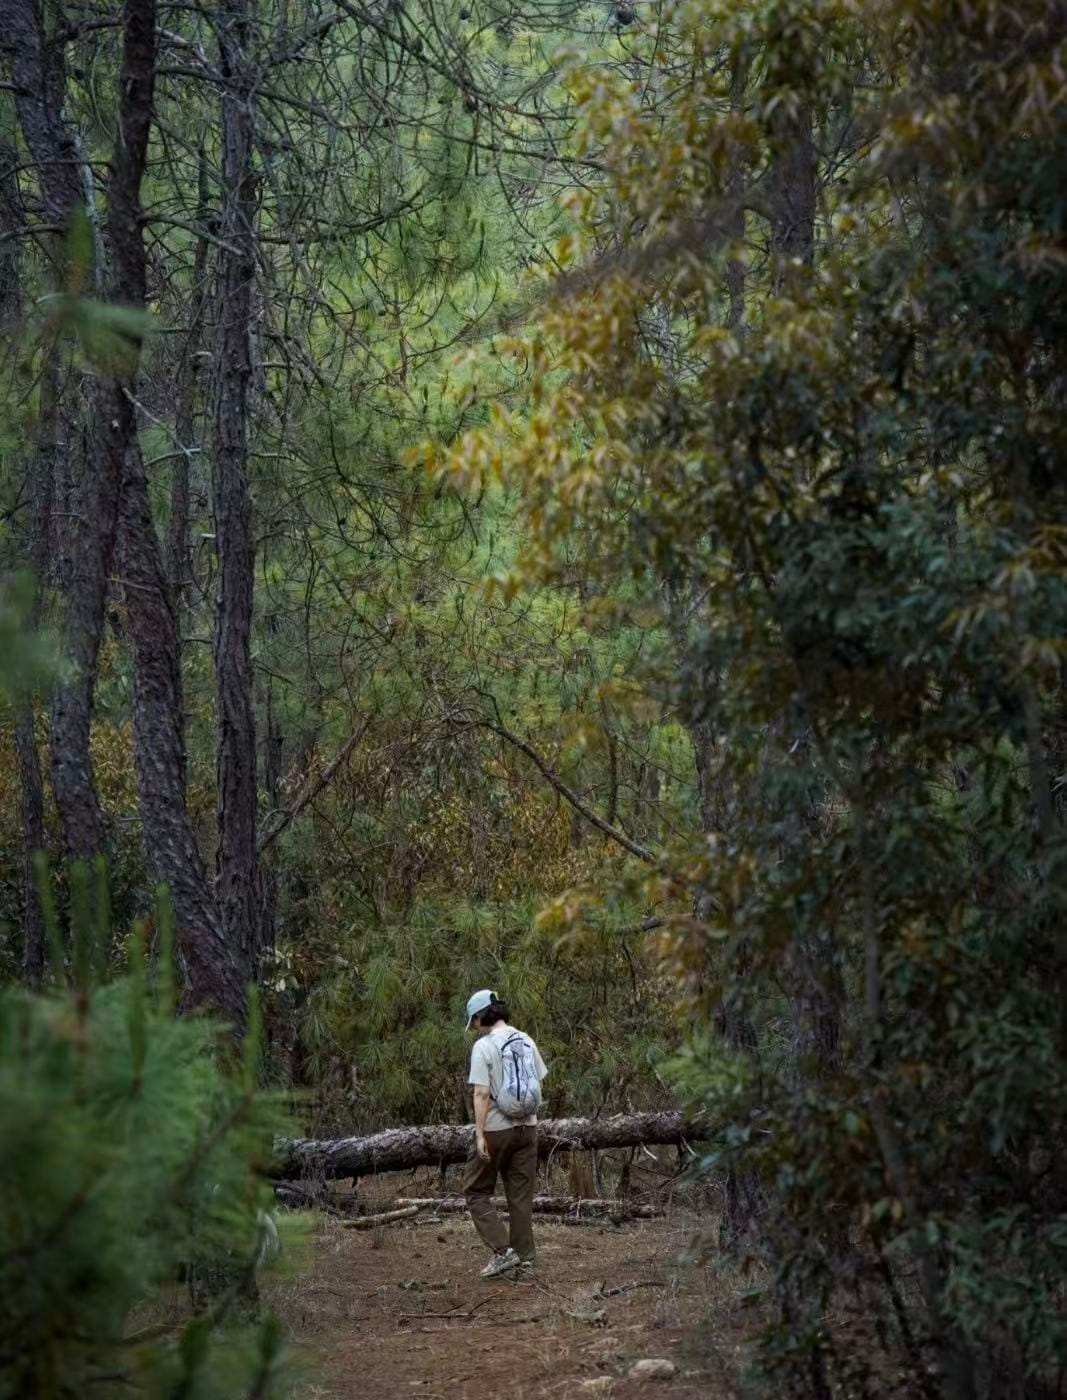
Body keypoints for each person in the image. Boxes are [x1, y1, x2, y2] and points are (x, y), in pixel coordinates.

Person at [462, 988, 548, 1279]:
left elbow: (482, 1093)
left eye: (473, 1022)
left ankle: (503, 1252)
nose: (474, 1028)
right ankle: (525, 1261)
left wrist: (479, 1134)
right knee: (521, 1197)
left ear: (480, 1017)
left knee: (475, 1191)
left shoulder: (484, 1046)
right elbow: (538, 1079)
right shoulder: (526, 1039)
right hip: (529, 1128)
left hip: (498, 1129)